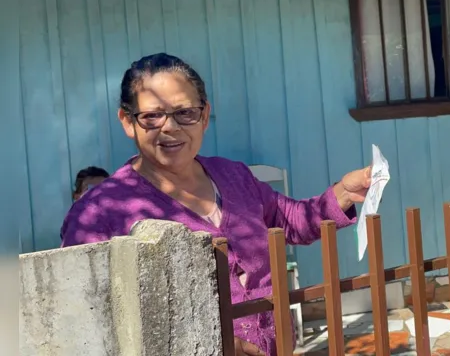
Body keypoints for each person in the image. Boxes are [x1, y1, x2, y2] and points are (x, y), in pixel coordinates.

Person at [60, 53, 371, 356]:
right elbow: (86, 320)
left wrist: (344, 192)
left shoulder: (233, 176)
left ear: (204, 115)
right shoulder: (98, 212)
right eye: (152, 116)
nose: (170, 127)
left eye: (185, 112)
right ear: (128, 122)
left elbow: (290, 220)